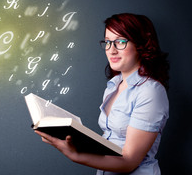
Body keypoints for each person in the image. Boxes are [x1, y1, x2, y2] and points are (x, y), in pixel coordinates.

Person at [35, 13, 169, 174]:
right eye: (107, 42)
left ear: (140, 45)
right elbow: (110, 141)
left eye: (120, 42)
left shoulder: (150, 91)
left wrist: (76, 155)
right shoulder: (113, 85)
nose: (111, 50)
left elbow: (129, 161)